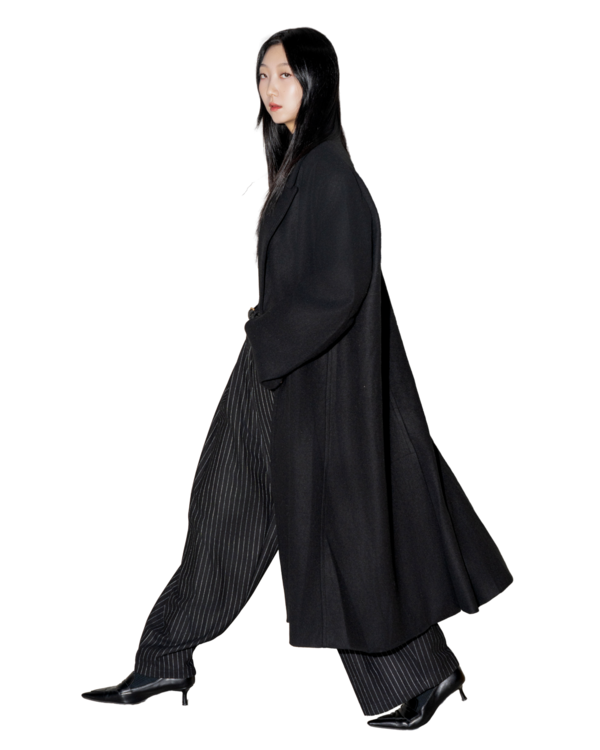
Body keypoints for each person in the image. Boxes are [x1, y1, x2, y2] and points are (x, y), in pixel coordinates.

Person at [79, 25, 514, 731]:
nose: (271, 89)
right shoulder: (303, 166)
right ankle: (170, 659)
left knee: (304, 528)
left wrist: (264, 336)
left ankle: (419, 672)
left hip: (296, 379)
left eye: (286, 74)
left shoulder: (331, 176)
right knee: (242, 515)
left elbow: (341, 288)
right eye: (263, 76)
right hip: (284, 372)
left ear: (318, 82)